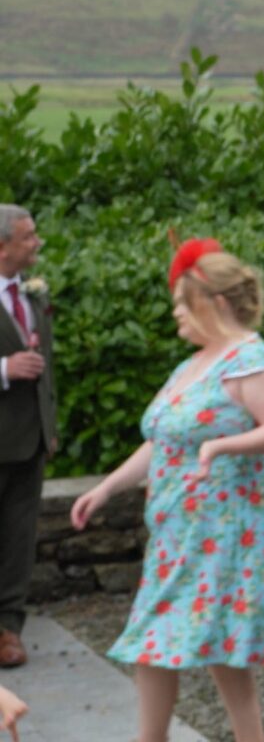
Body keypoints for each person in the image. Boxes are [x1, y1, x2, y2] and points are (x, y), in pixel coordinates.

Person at [70, 242, 264, 742]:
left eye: (182, 302)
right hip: (175, 531)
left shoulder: (251, 359)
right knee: (159, 639)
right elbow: (161, 441)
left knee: (212, 647)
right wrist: (106, 488)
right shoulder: (192, 365)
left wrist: (222, 445)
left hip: (223, 531)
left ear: (216, 302)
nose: (175, 311)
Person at [0, 206, 55, 671]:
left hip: (30, 438)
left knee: (19, 538)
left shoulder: (33, 293)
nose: (37, 243)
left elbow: (47, 366)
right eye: (28, 237)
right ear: (1, 247)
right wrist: (4, 368)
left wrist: (48, 426)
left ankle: (9, 630)